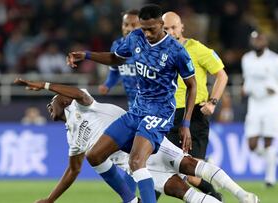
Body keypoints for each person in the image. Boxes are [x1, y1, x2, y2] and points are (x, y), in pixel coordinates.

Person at [14, 78, 259, 203]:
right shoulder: (72, 137)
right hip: (136, 167)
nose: (49, 105)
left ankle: (242, 194)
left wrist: (45, 85)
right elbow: (72, 170)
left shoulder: (83, 105)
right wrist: (50, 199)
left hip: (144, 140)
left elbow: (77, 92)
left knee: (189, 165)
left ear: (64, 101)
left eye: (52, 100)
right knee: (181, 191)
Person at [66, 5, 197, 203]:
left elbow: (192, 85)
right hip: (137, 109)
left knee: (136, 161)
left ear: (162, 24)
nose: (147, 33)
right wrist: (87, 55)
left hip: (160, 112)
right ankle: (131, 200)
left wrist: (186, 123)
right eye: (144, 28)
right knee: (94, 155)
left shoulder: (176, 50)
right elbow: (115, 58)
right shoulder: (135, 37)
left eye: (151, 29)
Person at [162, 11, 228, 199]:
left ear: (181, 27)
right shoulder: (160, 51)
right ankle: (213, 197)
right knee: (165, 168)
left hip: (195, 114)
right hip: (169, 114)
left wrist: (213, 102)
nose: (170, 32)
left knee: (190, 173)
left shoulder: (196, 48)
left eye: (173, 27)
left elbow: (222, 75)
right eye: (165, 28)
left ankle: (214, 196)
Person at [241, 31, 278, 187]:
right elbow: (247, 80)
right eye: (255, 40)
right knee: (252, 145)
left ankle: (270, 179)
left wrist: (275, 89)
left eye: (260, 40)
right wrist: (245, 88)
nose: (257, 42)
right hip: (254, 103)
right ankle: (271, 157)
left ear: (266, 42)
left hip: (272, 104)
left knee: (269, 141)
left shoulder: (276, 60)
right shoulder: (246, 59)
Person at [98, 9, 140, 108]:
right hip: (132, 104)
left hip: (151, 104)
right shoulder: (116, 46)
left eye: (133, 25)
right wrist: (107, 85)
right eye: (125, 24)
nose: (128, 29)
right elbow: (115, 70)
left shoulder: (150, 47)